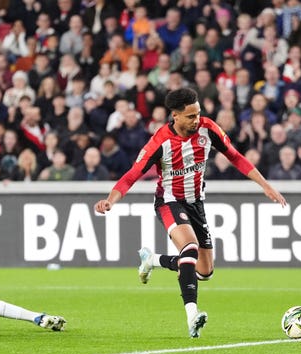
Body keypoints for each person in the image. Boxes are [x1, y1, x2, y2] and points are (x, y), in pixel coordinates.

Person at [94, 88, 286, 338]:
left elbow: (236, 157)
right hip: (169, 201)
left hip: (197, 203)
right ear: (175, 115)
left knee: (204, 271)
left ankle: (153, 260)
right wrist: (110, 200)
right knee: (190, 249)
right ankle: (192, 315)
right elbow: (132, 175)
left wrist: (266, 186)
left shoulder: (208, 129)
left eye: (198, 114)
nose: (197, 120)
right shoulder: (160, 142)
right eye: (190, 116)